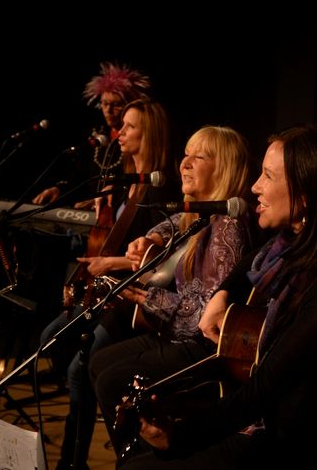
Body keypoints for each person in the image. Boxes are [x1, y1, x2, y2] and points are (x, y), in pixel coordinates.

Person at [108, 123, 317, 469]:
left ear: (305, 195)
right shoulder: (286, 247)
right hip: (256, 411)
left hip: (284, 438)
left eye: (267, 176)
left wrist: (181, 435)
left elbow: (263, 388)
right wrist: (223, 294)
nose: (255, 187)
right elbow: (251, 261)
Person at [88, 124, 262, 460]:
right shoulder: (197, 214)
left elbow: (203, 319)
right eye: (185, 155)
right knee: (99, 362)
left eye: (199, 157)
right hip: (174, 335)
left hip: (203, 347)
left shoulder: (229, 230)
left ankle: (148, 460)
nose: (185, 163)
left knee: (111, 382)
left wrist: (145, 298)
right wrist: (150, 239)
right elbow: (170, 225)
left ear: (224, 168)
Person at [40, 97, 181, 470]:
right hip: (105, 290)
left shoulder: (160, 189)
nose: (120, 133)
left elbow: (158, 257)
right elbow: (111, 235)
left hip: (130, 300)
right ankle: (78, 451)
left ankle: (78, 458)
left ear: (149, 133)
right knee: (50, 342)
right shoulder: (127, 183)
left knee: (79, 370)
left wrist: (108, 263)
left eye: (130, 127)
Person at [32, 61, 151, 209]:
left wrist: (102, 199)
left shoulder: (137, 142)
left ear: (130, 104)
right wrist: (59, 189)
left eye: (116, 104)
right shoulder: (97, 134)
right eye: (104, 103)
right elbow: (80, 175)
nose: (108, 110)